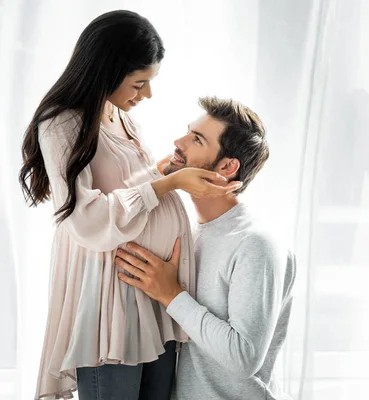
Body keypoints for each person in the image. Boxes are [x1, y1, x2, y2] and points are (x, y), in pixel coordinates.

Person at [18, 11, 241, 400]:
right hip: (111, 301)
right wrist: (170, 182)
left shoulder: (120, 116)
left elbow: (125, 185)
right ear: (107, 71)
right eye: (140, 83)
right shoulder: (62, 125)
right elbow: (86, 218)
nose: (147, 95)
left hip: (151, 295)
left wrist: (164, 171)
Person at [117, 96, 296, 400]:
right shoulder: (189, 232)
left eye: (196, 139)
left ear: (227, 166)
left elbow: (243, 357)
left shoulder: (255, 243)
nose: (178, 142)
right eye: (188, 132)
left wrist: (170, 294)